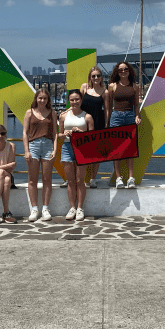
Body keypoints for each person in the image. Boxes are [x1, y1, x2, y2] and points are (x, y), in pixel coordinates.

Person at [23, 88, 58, 222]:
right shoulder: (29, 113)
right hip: (33, 146)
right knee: (32, 179)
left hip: (48, 145)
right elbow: (25, 133)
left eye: (45, 98)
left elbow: (55, 133)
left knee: (47, 179)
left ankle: (45, 208)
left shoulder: (52, 113)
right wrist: (26, 150)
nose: (42, 100)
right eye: (40, 98)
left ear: (48, 99)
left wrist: (55, 150)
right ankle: (34, 209)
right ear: (36, 99)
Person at [59, 89, 94, 220]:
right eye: (72, 99)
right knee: (70, 181)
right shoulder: (63, 116)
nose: (74, 102)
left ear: (81, 100)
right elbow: (59, 135)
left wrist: (81, 132)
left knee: (80, 181)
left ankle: (80, 208)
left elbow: (92, 137)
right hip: (67, 148)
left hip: (82, 149)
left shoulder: (87, 116)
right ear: (69, 101)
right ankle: (72, 207)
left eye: (77, 99)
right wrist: (64, 134)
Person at [108, 61, 141, 188]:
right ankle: (118, 178)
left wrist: (137, 116)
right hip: (116, 117)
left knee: (130, 148)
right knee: (116, 148)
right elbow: (109, 105)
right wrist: (108, 121)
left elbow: (136, 105)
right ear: (117, 71)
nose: (123, 71)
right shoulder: (112, 86)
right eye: (120, 69)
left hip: (129, 116)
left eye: (125, 69)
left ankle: (131, 178)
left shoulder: (135, 86)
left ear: (129, 71)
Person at [80, 67, 110, 189]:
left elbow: (107, 110)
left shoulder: (105, 91)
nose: (96, 78)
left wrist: (107, 125)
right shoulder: (84, 88)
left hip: (98, 122)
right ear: (90, 78)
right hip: (84, 123)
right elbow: (77, 103)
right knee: (82, 151)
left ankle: (93, 178)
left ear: (101, 77)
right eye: (93, 76)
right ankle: (80, 178)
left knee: (96, 153)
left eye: (98, 75)